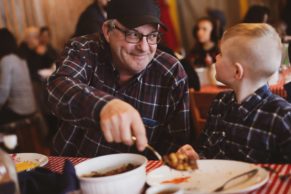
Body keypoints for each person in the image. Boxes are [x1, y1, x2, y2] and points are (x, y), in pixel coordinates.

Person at [47, 0, 191, 158]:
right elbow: (57, 88)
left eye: (152, 36)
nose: (143, 47)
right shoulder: (84, 50)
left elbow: (175, 144)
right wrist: (105, 106)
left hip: (139, 176)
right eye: (133, 34)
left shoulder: (171, 72)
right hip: (72, 170)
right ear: (108, 31)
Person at [179, 23, 291, 163]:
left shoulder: (281, 116)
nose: (216, 57)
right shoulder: (219, 103)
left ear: (237, 71)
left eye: (221, 54)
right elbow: (205, 152)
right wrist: (196, 156)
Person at [0, 28, 36, 125]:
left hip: (19, 110)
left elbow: (4, 91)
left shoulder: (6, 60)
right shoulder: (21, 58)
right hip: (31, 107)